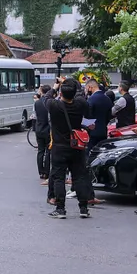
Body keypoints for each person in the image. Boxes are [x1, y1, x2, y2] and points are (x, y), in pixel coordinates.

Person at [46, 78, 93, 218]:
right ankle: (83, 208)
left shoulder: (54, 105)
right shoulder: (80, 104)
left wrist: (55, 87)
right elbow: (80, 95)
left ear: (61, 93)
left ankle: (60, 208)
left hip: (59, 147)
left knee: (59, 178)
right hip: (76, 146)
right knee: (79, 177)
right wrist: (70, 84)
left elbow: (46, 97)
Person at [34, 87, 54, 186]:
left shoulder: (37, 103)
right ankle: (46, 172)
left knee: (40, 151)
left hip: (39, 128)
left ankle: (41, 171)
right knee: (48, 151)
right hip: (48, 130)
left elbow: (36, 115)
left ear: (42, 92)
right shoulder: (51, 102)